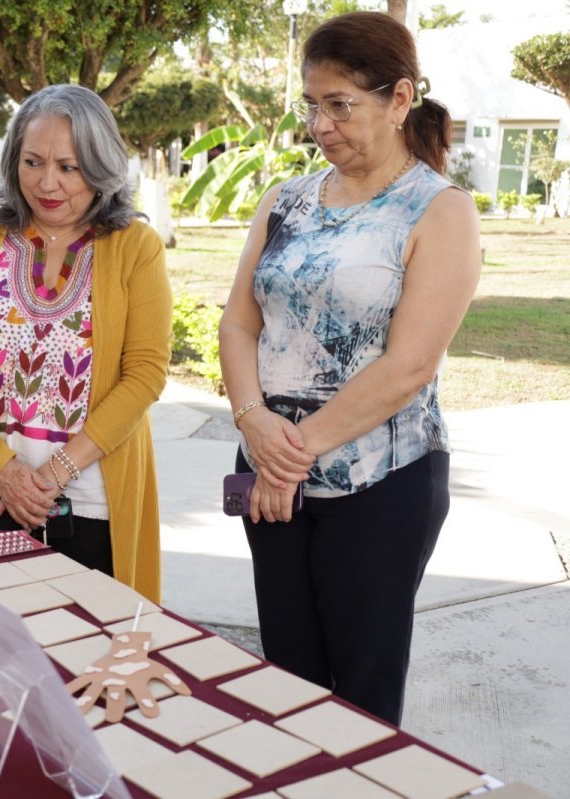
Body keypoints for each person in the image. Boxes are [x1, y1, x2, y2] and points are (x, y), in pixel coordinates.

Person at [217, 11, 481, 725]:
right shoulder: (286, 200)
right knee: (287, 680)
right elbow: (239, 322)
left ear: (399, 100)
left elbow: (410, 364)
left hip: (379, 483)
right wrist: (253, 422)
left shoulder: (438, 210)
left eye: (341, 105)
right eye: (312, 104)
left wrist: (286, 457)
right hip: (273, 473)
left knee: (360, 697)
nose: (321, 124)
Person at [0, 83, 172, 602]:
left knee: (91, 662)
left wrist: (57, 472)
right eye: (33, 161)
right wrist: (7, 471)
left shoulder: (136, 247)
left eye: (69, 166)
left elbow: (146, 373)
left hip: (92, 506)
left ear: (100, 165)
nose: (48, 183)